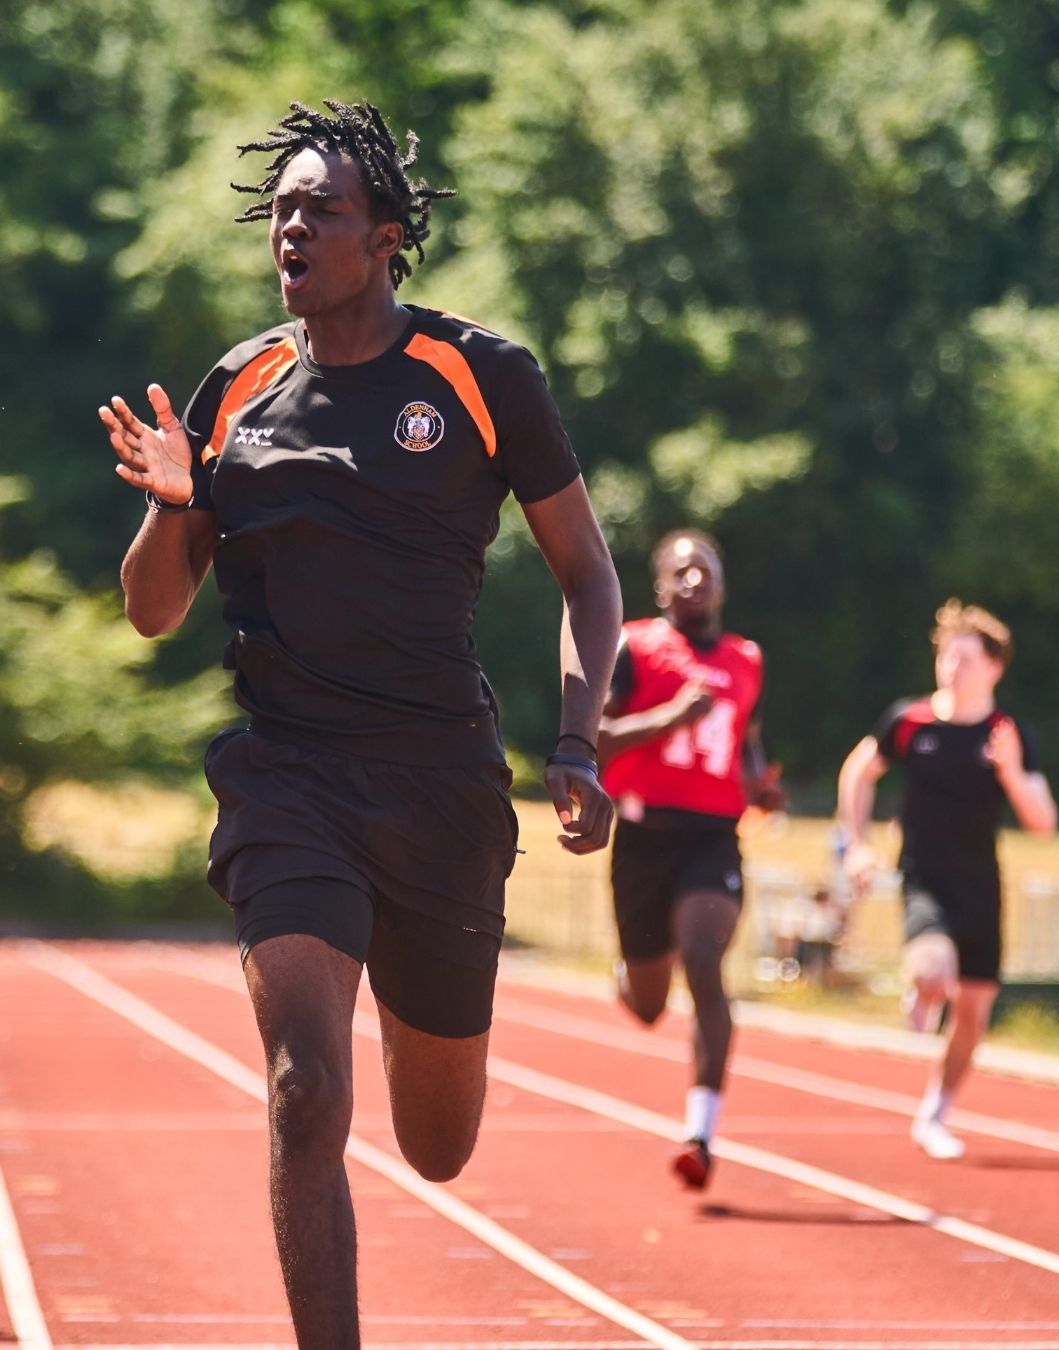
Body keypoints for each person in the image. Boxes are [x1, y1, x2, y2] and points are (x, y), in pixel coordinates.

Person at [98, 98, 621, 1350]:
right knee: (304, 1092)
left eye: (320, 210)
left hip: (439, 788)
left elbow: (588, 575)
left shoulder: (481, 376)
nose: (291, 228)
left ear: (386, 236)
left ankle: (411, 985)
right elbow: (153, 612)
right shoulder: (237, 388)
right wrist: (173, 501)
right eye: (281, 210)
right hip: (289, 780)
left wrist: (577, 741)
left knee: (439, 1148)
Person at [837, 599, 1057, 1161]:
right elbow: (858, 771)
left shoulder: (1007, 733)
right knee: (934, 967)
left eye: (965, 658)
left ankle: (935, 1111)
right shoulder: (910, 721)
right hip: (924, 878)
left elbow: (1042, 823)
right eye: (945, 656)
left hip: (980, 884)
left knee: (974, 1013)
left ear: (994, 668)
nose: (951, 668)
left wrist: (1010, 772)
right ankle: (924, 984)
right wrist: (856, 844)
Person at [597, 530, 783, 1190]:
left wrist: (760, 785)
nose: (694, 579)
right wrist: (669, 718)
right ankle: (633, 971)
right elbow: (595, 738)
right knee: (648, 1007)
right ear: (660, 587)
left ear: (723, 583)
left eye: (704, 568)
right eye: (680, 570)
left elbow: (747, 742)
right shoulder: (634, 646)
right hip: (643, 839)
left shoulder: (747, 659)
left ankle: (700, 1134)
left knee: (703, 959)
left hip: (712, 837)